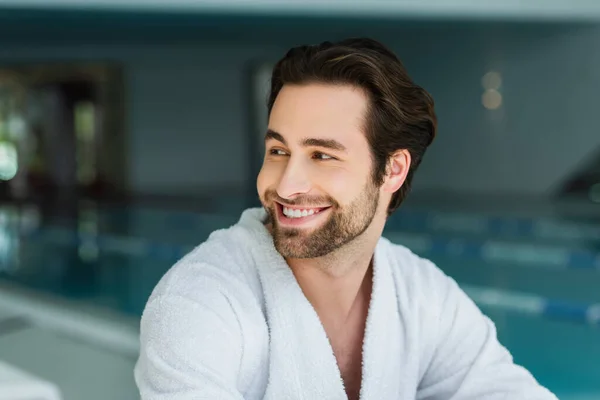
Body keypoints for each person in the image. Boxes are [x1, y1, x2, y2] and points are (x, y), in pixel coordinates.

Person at [134, 38, 557, 400]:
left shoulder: (421, 297)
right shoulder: (198, 303)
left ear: (392, 169)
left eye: (321, 156)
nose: (286, 185)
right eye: (278, 151)